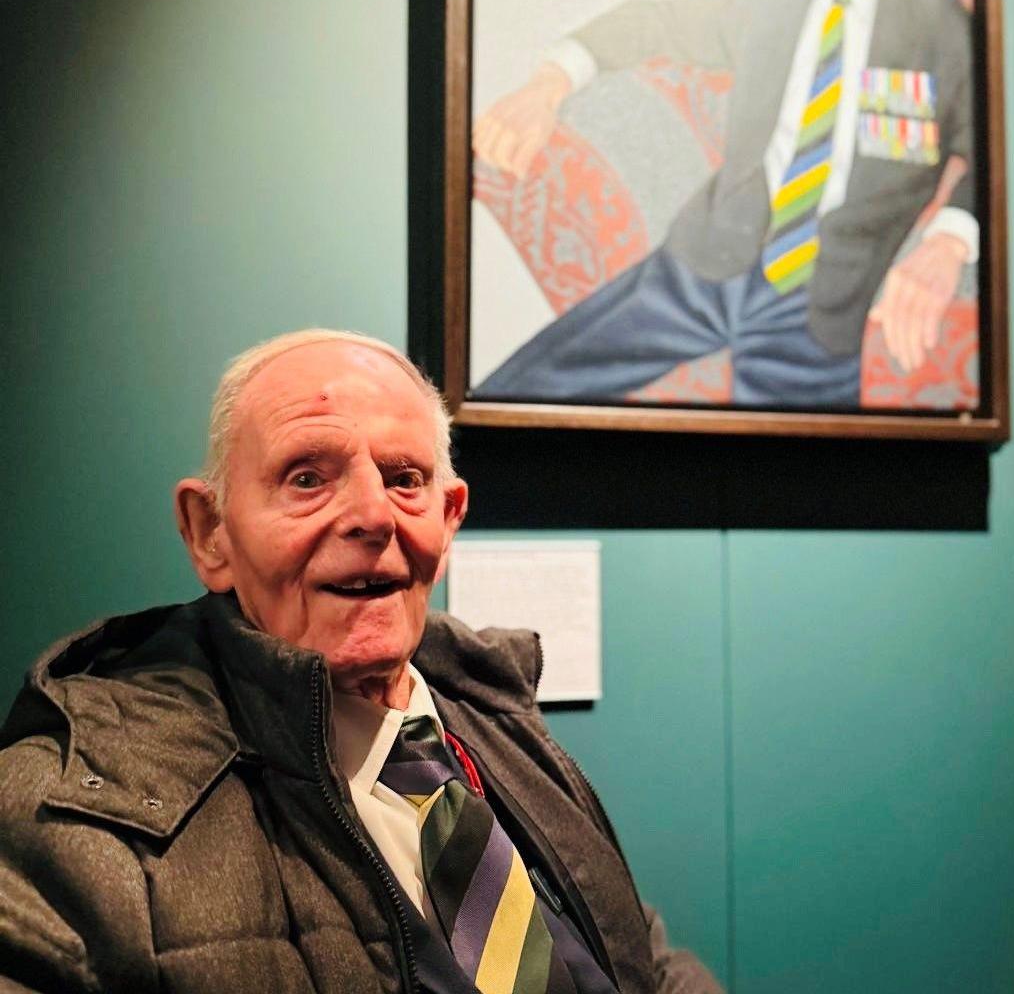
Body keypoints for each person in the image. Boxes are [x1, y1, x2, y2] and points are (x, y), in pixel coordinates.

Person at [0, 328, 719, 994]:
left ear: (448, 515)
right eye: (307, 479)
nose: (374, 516)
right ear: (210, 532)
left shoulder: (495, 715)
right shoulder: (65, 814)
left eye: (405, 478)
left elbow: (638, 954)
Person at [473, 0, 977, 407]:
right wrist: (548, 83)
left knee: (798, 486)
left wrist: (948, 244)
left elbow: (991, 146)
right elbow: (656, 24)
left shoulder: (933, 18)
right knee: (514, 399)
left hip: (824, 299)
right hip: (708, 256)